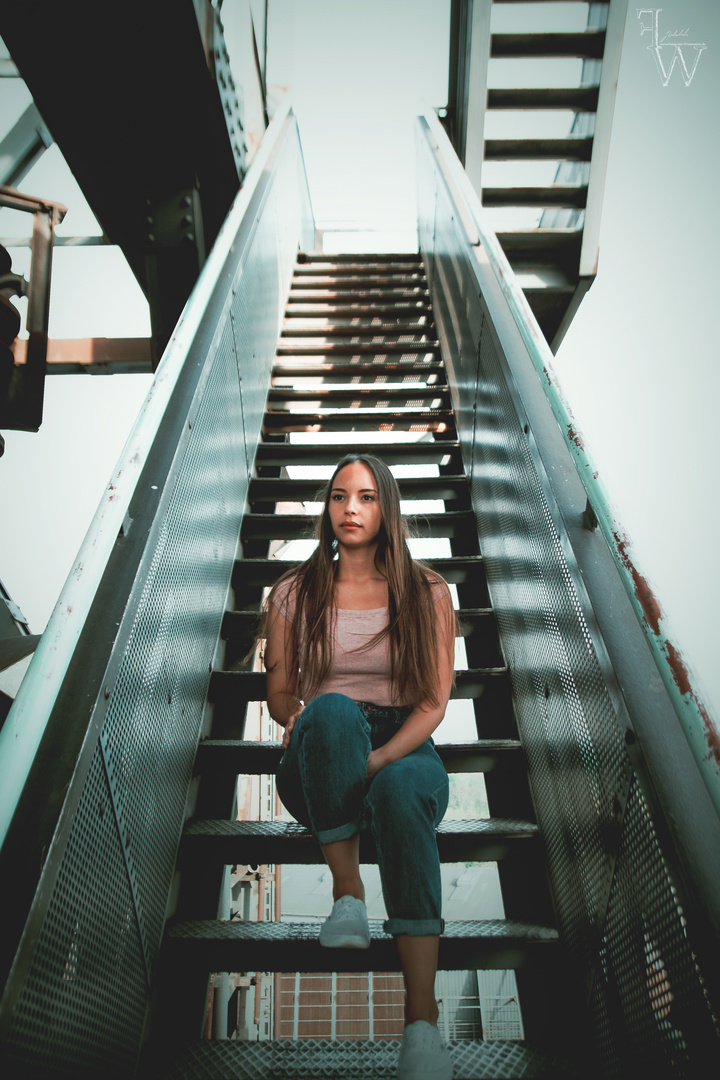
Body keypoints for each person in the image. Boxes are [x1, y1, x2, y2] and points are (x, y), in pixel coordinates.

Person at [262, 454, 456, 1080]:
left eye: (367, 497)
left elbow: (433, 702)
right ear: (326, 508)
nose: (350, 508)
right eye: (340, 496)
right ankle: (349, 894)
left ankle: (421, 1023)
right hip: (319, 753)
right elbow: (280, 693)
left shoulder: (427, 591)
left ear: (386, 509)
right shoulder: (291, 593)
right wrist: (305, 720)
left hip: (404, 745)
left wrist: (380, 757)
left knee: (401, 790)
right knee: (335, 709)